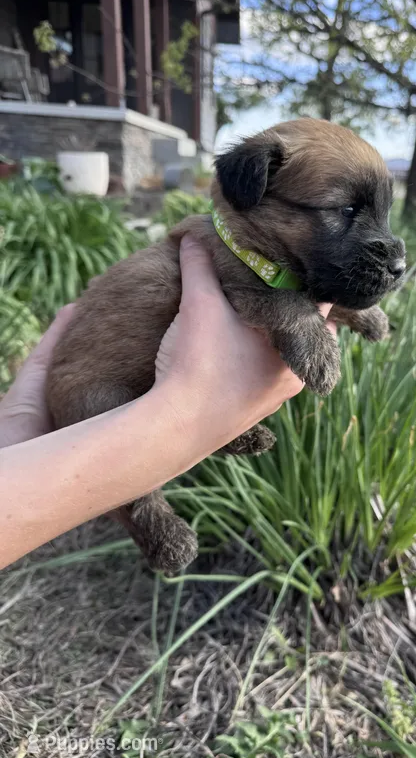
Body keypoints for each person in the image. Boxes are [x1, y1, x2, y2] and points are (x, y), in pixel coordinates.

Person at [0, 235, 332, 569]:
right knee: (97, 405)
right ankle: (149, 518)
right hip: (97, 387)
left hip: (84, 386)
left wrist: (18, 432)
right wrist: (179, 425)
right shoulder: (229, 244)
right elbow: (251, 294)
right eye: (341, 210)